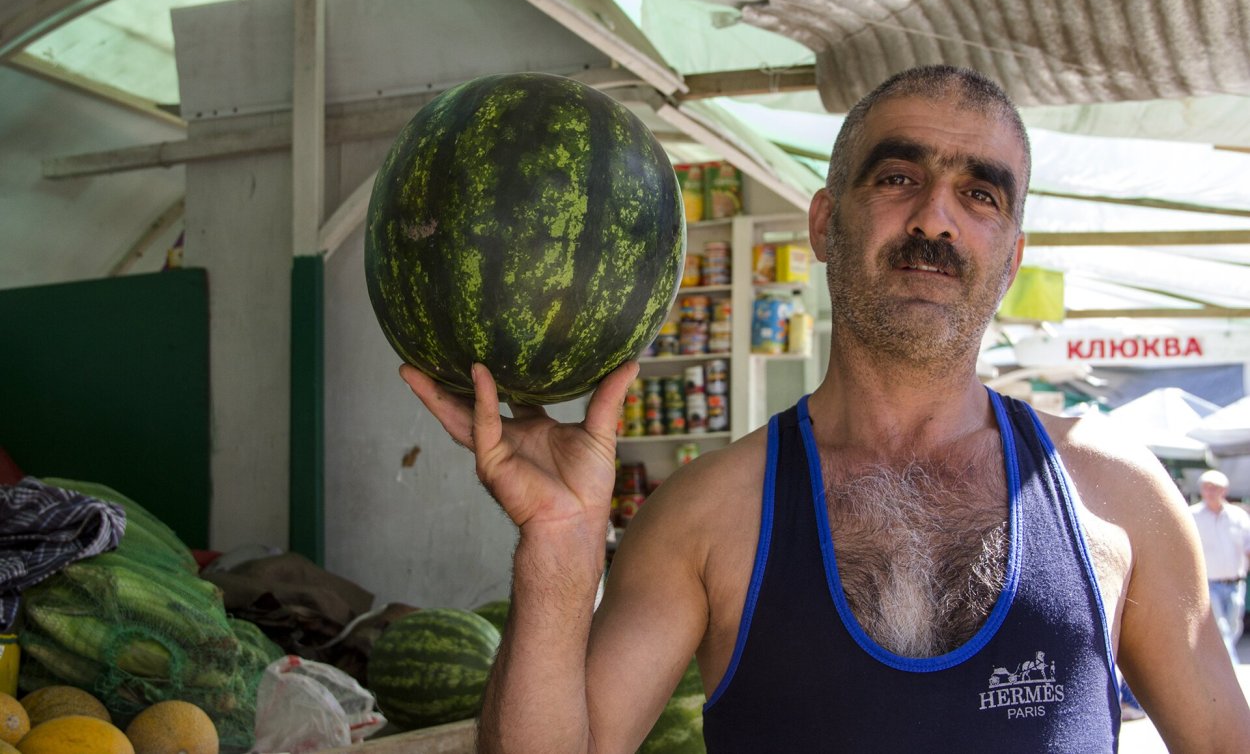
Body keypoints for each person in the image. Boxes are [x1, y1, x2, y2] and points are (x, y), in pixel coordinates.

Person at [401, 65, 1250, 751]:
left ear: (1013, 252)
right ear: (823, 221)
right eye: (898, 177)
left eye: (981, 195)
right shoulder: (704, 517)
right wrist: (557, 546)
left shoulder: (1117, 494)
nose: (936, 219)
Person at [1191, 468, 1250, 664]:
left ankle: (1218, 661)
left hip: (1235, 582)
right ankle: (1229, 667)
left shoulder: (1238, 516)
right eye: (1206, 488)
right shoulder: (1193, 516)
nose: (1210, 492)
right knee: (1222, 628)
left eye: (1214, 488)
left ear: (1223, 491)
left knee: (1234, 626)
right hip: (1209, 582)